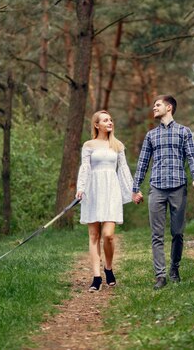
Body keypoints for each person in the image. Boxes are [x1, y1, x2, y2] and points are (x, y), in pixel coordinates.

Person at [132, 95, 194, 290]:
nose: (154, 108)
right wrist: (135, 188)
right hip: (157, 188)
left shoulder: (184, 132)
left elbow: (192, 157)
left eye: (158, 105)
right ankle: (160, 276)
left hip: (178, 186)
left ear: (169, 107)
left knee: (177, 233)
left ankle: (174, 268)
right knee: (157, 234)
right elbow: (143, 163)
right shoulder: (150, 135)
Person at [76, 110, 134, 292]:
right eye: (105, 120)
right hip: (93, 190)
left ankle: (108, 268)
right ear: (96, 125)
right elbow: (85, 167)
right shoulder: (89, 145)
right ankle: (96, 277)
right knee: (94, 235)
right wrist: (81, 187)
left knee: (108, 235)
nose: (110, 122)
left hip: (111, 191)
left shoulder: (117, 145)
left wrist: (133, 191)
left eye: (110, 120)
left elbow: (123, 169)